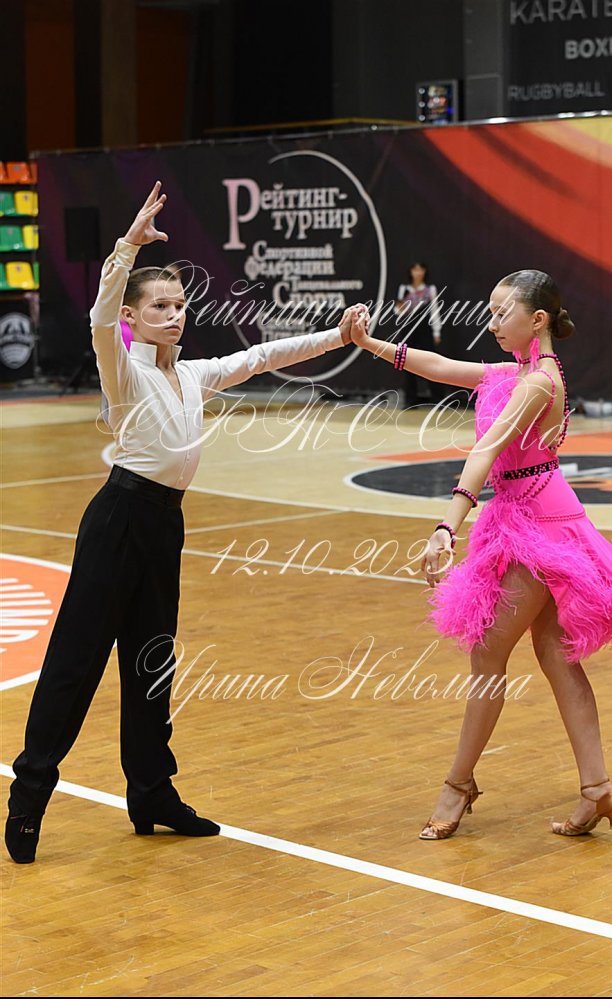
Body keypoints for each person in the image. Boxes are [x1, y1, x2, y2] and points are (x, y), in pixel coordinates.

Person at [5, 181, 361, 863]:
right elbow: (100, 318)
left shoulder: (192, 375)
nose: (173, 315)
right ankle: (30, 793)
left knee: (152, 663)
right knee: (76, 662)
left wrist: (337, 335)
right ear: (134, 317)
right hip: (117, 520)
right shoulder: (123, 371)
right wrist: (126, 247)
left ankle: (151, 794)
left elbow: (261, 357)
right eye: (159, 307)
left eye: (179, 305)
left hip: (164, 526)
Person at [349, 270, 612, 841]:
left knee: (488, 655)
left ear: (536, 320)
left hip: (537, 527)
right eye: (490, 312)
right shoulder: (515, 373)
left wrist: (447, 525)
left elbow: (487, 449)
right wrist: (370, 343)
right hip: (531, 514)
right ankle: (596, 789)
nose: (492, 322)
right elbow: (440, 367)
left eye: (502, 313)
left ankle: (458, 784)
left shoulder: (538, 383)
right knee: (554, 654)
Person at [395, 261, 441, 407]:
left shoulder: (430, 290)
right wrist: (400, 307)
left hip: (424, 328)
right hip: (408, 329)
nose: (418, 273)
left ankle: (438, 399)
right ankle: (410, 400)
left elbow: (434, 311)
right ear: (410, 272)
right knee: (407, 363)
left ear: (425, 272)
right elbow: (397, 311)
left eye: (421, 269)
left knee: (431, 362)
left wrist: (436, 331)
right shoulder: (404, 289)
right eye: (415, 269)